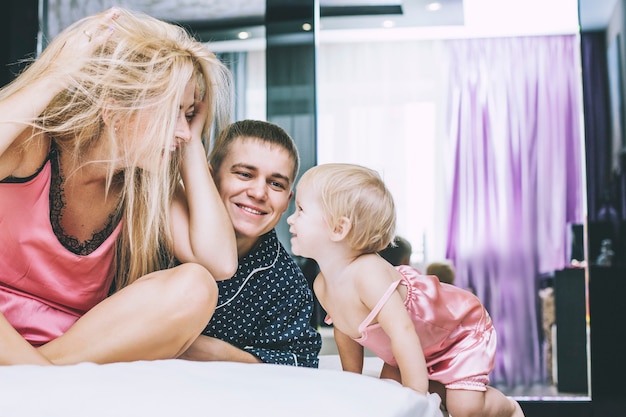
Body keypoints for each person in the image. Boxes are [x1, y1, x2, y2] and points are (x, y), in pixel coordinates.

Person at [0, 7, 238, 365]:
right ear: (113, 108)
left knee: (196, 286)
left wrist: (192, 144)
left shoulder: (144, 184)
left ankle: (37, 371)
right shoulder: (34, 145)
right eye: (171, 111)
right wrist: (56, 76)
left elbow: (219, 262)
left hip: (67, 348)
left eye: (188, 114)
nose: (183, 130)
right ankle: (38, 375)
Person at [286, 163, 525, 417]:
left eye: (300, 210)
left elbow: (403, 331)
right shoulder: (322, 283)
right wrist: (351, 382)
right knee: (391, 390)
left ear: (339, 228)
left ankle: (509, 408)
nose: (290, 218)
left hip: (457, 331)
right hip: (416, 345)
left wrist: (416, 397)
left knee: (464, 409)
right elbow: (345, 331)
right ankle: (442, 385)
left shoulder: (369, 274)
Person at [180, 119, 321, 367]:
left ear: (288, 201)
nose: (258, 193)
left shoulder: (287, 283)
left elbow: (301, 361)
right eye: (245, 174)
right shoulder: (159, 231)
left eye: (276, 184)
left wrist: (222, 354)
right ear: (210, 179)